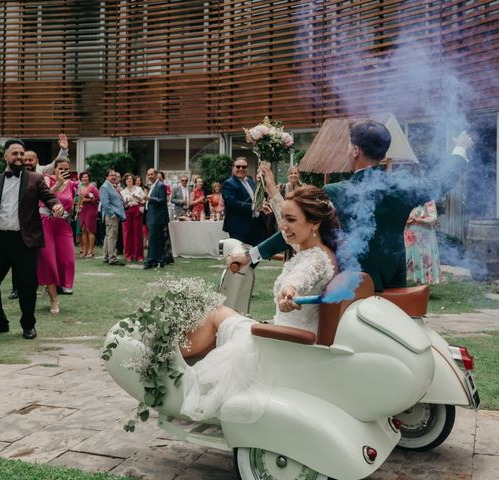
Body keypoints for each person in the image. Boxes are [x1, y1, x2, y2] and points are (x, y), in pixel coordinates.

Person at [231, 121, 472, 292]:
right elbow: (441, 181)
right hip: (394, 284)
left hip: (350, 288)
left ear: (355, 150)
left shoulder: (336, 192)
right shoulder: (402, 190)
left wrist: (251, 255)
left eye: (349, 145)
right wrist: (459, 148)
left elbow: (295, 229)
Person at [180, 186, 339, 421]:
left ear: (314, 223)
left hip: (283, 347)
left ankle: (170, 362)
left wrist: (289, 292)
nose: (283, 225)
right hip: (286, 336)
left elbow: (299, 279)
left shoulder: (314, 260)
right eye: (283, 218)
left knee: (217, 314)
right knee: (223, 315)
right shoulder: (312, 248)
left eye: (291, 219)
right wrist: (273, 189)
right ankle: (180, 361)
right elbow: (285, 232)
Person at [0, 139, 64, 340]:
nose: (19, 157)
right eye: (15, 153)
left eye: (22, 153)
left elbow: (49, 197)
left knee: (27, 285)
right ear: (5, 156)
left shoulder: (35, 179)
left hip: (24, 241)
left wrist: (56, 206)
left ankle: (28, 325)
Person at [37, 158, 78, 314]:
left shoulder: (72, 185)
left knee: (67, 260)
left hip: (62, 223)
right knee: (49, 261)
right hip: (46, 222)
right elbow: (43, 197)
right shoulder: (47, 179)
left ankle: (60, 285)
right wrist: (58, 184)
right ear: (54, 169)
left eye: (66, 168)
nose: (63, 171)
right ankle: (53, 299)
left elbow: (71, 204)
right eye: (60, 168)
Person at [221, 157, 260, 245]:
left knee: (254, 255)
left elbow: (254, 199)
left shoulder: (250, 182)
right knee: (239, 254)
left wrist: (261, 205)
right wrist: (255, 206)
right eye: (238, 167)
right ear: (233, 168)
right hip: (238, 226)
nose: (241, 169)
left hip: (254, 224)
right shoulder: (229, 183)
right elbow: (233, 203)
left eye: (244, 167)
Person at [405, 200, 441, 284]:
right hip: (411, 237)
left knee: (424, 259)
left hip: (424, 238)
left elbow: (433, 218)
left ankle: (423, 284)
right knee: (414, 259)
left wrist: (417, 220)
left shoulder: (429, 202)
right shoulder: (410, 200)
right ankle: (416, 281)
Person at [142, 168, 170, 269]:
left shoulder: (160, 185)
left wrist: (149, 198)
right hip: (151, 216)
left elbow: (162, 200)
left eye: (152, 174)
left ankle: (151, 261)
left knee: (154, 240)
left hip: (156, 218)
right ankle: (157, 260)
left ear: (156, 174)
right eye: (148, 175)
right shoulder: (152, 186)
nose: (150, 176)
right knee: (155, 240)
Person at [99, 169, 126, 266]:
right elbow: (105, 203)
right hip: (111, 215)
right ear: (106, 177)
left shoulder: (111, 186)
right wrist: (112, 214)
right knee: (112, 236)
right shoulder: (105, 187)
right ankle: (112, 258)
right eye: (111, 175)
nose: (113, 177)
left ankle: (106, 256)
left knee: (109, 236)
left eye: (114, 175)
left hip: (114, 215)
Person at [121, 172, 144, 262]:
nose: (129, 180)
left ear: (133, 180)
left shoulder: (138, 189)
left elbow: (143, 199)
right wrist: (128, 199)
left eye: (131, 179)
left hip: (137, 210)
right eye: (127, 179)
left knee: (138, 233)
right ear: (125, 181)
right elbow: (123, 202)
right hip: (127, 211)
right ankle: (128, 255)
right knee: (127, 233)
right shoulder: (122, 191)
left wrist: (137, 196)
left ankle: (138, 255)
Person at [76, 171, 100, 258]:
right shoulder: (80, 188)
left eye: (86, 177)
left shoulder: (93, 188)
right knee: (83, 229)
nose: (84, 179)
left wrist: (89, 199)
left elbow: (97, 199)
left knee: (90, 229)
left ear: (89, 178)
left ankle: (91, 250)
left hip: (91, 210)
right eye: (83, 177)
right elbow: (78, 200)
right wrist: (77, 209)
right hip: (82, 210)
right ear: (80, 179)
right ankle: (85, 250)